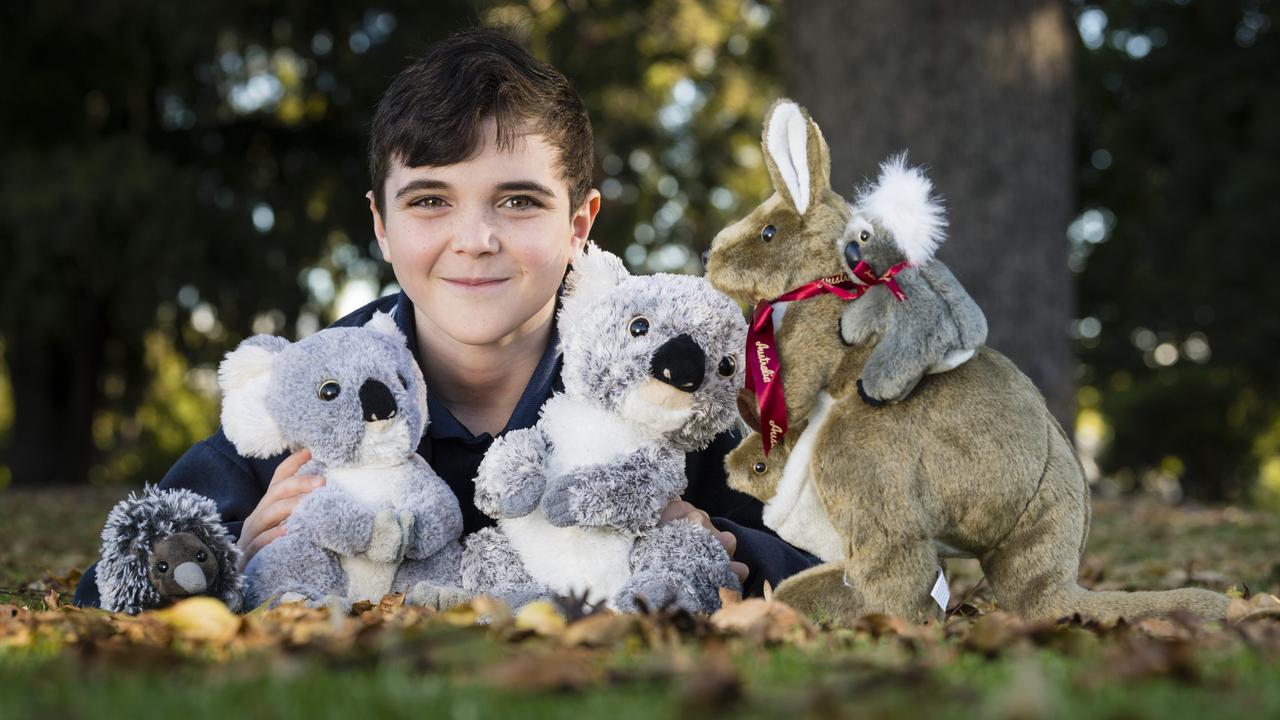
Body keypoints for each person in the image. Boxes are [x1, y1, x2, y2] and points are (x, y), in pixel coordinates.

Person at [73, 27, 816, 608]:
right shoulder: (316, 396)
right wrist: (234, 553)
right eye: (430, 200)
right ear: (382, 228)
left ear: (580, 224)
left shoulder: (671, 388)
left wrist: (722, 543)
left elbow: (866, 572)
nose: (475, 239)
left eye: (518, 200)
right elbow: (113, 582)